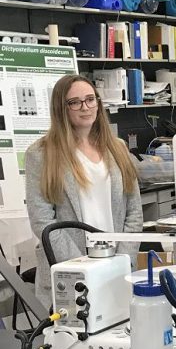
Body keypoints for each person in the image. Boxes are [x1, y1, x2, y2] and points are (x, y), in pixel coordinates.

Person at [25, 74, 143, 309]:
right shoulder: (41, 154)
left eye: (90, 99)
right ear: (62, 108)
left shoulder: (117, 147)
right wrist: (85, 267)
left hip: (117, 269)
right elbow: (43, 223)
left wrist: (122, 260)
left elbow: (134, 212)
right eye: (75, 102)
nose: (85, 107)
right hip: (70, 272)